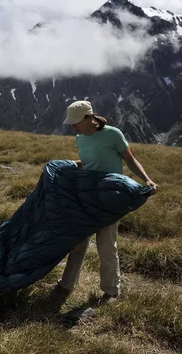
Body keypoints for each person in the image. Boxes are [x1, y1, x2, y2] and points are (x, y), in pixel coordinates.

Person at [57, 100, 158, 301]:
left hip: (110, 198)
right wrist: (71, 165)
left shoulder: (113, 134)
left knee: (106, 245)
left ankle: (111, 290)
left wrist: (147, 180)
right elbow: (89, 163)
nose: (73, 126)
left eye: (76, 122)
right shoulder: (80, 138)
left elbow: (129, 159)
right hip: (87, 195)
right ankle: (66, 285)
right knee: (78, 242)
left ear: (89, 117)